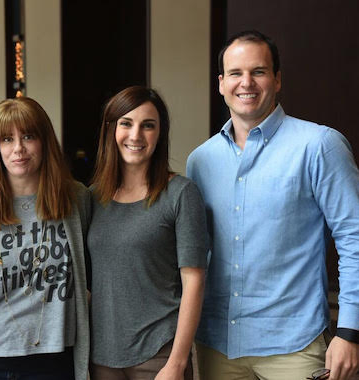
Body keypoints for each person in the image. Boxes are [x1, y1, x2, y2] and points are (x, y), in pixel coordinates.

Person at [187, 30, 359, 380]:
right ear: (221, 83)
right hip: (215, 345)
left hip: (294, 347)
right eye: (235, 73)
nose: (246, 82)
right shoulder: (200, 161)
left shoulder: (319, 146)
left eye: (259, 71)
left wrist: (350, 332)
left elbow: (354, 237)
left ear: (277, 80)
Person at [0, 97, 91, 380]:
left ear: (45, 142)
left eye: (28, 136)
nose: (18, 149)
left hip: (53, 357)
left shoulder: (77, 199)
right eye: (6, 139)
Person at [88, 85, 208, 380]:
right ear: (110, 130)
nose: (136, 135)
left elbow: (194, 282)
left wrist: (177, 363)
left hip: (159, 353)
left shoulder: (180, 194)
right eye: (126, 123)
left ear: (160, 133)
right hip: (102, 355)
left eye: (148, 126)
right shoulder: (91, 198)